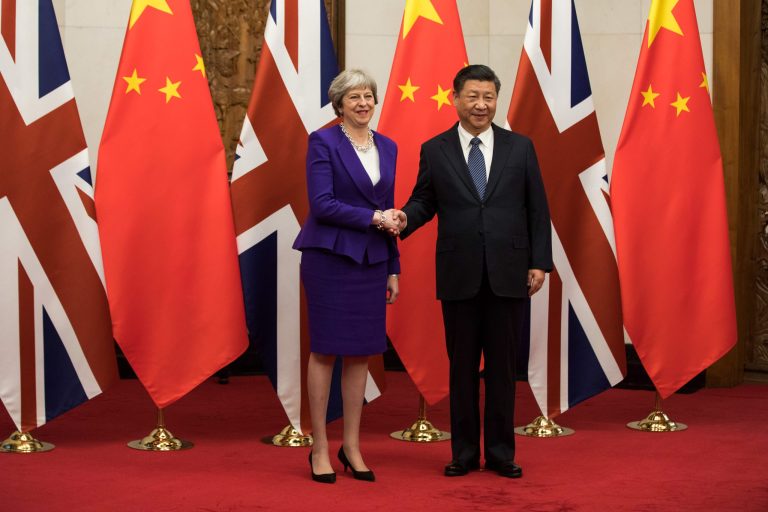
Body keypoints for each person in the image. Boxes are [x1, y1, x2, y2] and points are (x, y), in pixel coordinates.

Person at [397, 64, 552, 478]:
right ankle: (463, 454)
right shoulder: (435, 149)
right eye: (473, 96)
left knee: (503, 371)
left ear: (496, 100)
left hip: (510, 272)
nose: (481, 105)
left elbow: (537, 208)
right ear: (456, 99)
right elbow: (424, 201)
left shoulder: (520, 147)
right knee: (461, 369)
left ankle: (501, 454)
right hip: (459, 274)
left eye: (489, 97)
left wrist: (540, 261)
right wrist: (404, 219)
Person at [293, 69, 404, 484]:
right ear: (339, 104)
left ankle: (352, 446)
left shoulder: (388, 146)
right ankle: (320, 446)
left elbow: (388, 207)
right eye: (354, 97)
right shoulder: (323, 142)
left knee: (361, 353)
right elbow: (322, 204)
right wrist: (375, 217)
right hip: (329, 258)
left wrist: (393, 267)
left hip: (372, 261)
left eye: (368, 96)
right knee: (325, 350)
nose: (363, 103)